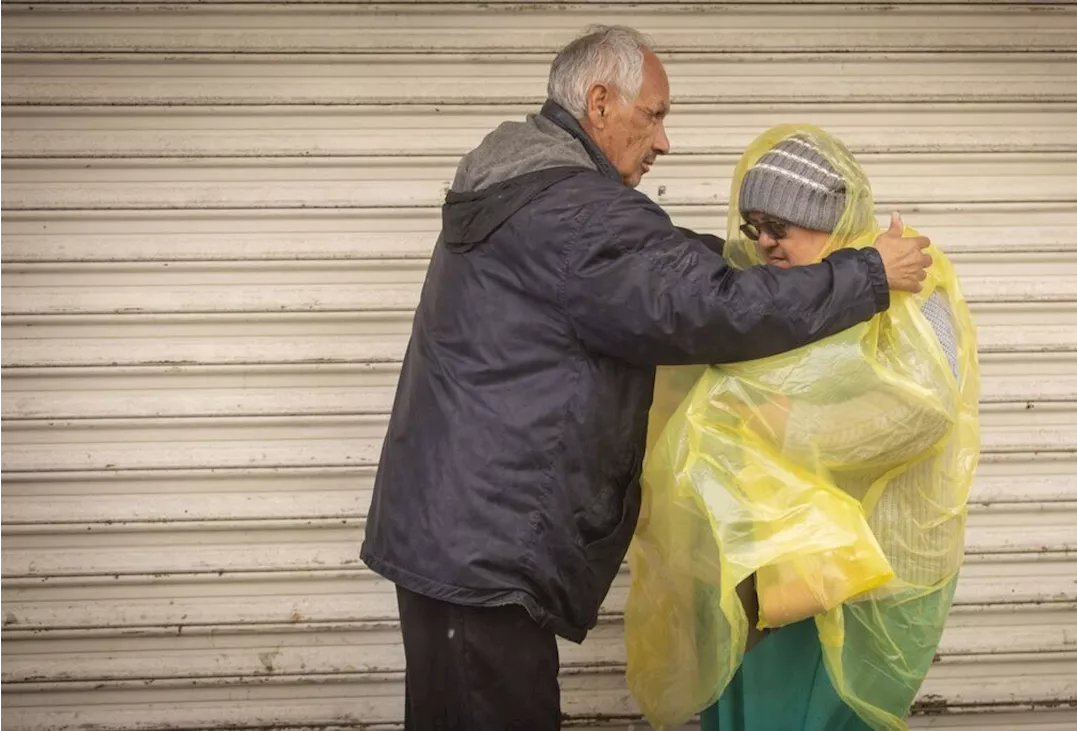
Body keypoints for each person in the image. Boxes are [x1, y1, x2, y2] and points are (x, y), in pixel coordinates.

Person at [360, 25, 934, 731]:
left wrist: (770, 263)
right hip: (484, 543)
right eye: (654, 114)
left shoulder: (534, 192)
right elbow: (703, 306)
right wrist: (867, 274)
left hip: (462, 529)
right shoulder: (575, 214)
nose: (664, 141)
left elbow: (663, 265)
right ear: (599, 103)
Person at [624, 126, 980, 731]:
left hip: (859, 575)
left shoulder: (912, 288)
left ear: (826, 218)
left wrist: (792, 425)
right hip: (769, 569)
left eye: (779, 227)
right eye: (753, 227)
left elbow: (925, 410)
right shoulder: (773, 295)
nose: (763, 242)